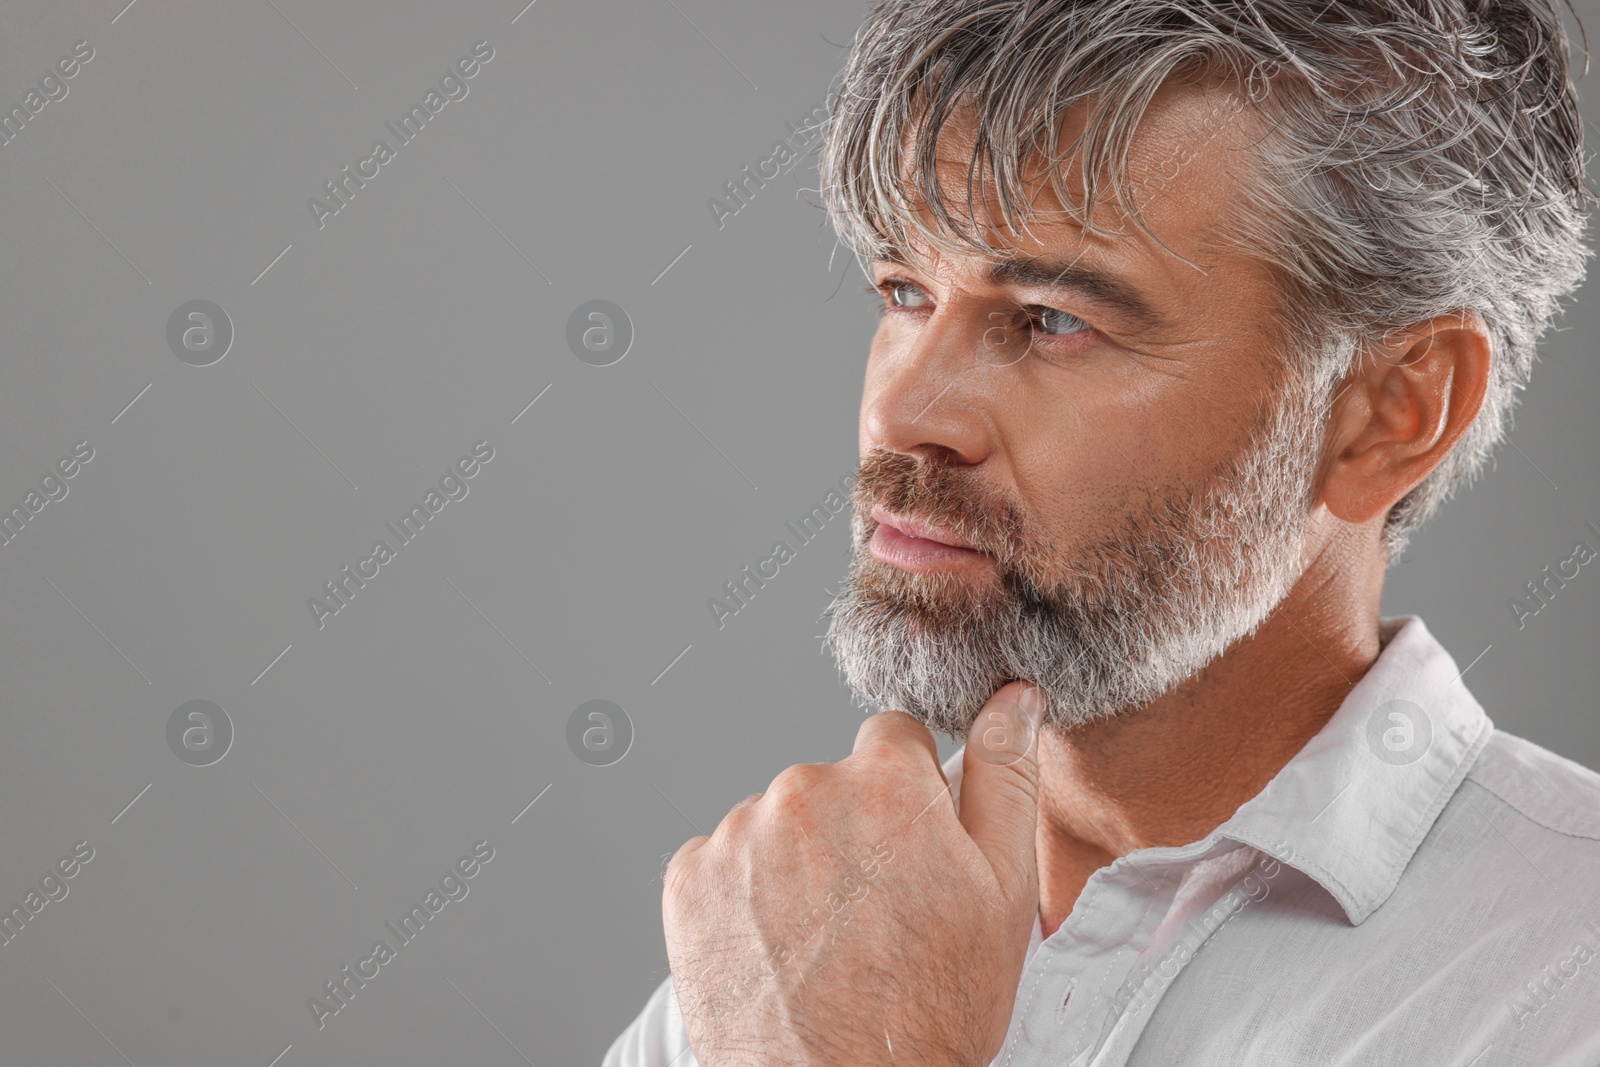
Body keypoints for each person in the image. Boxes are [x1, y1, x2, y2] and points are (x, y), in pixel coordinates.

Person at [606, 0, 1600, 1062]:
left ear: (1391, 414)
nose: (903, 415)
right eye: (903, 289)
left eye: (1053, 319)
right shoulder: (795, 944)